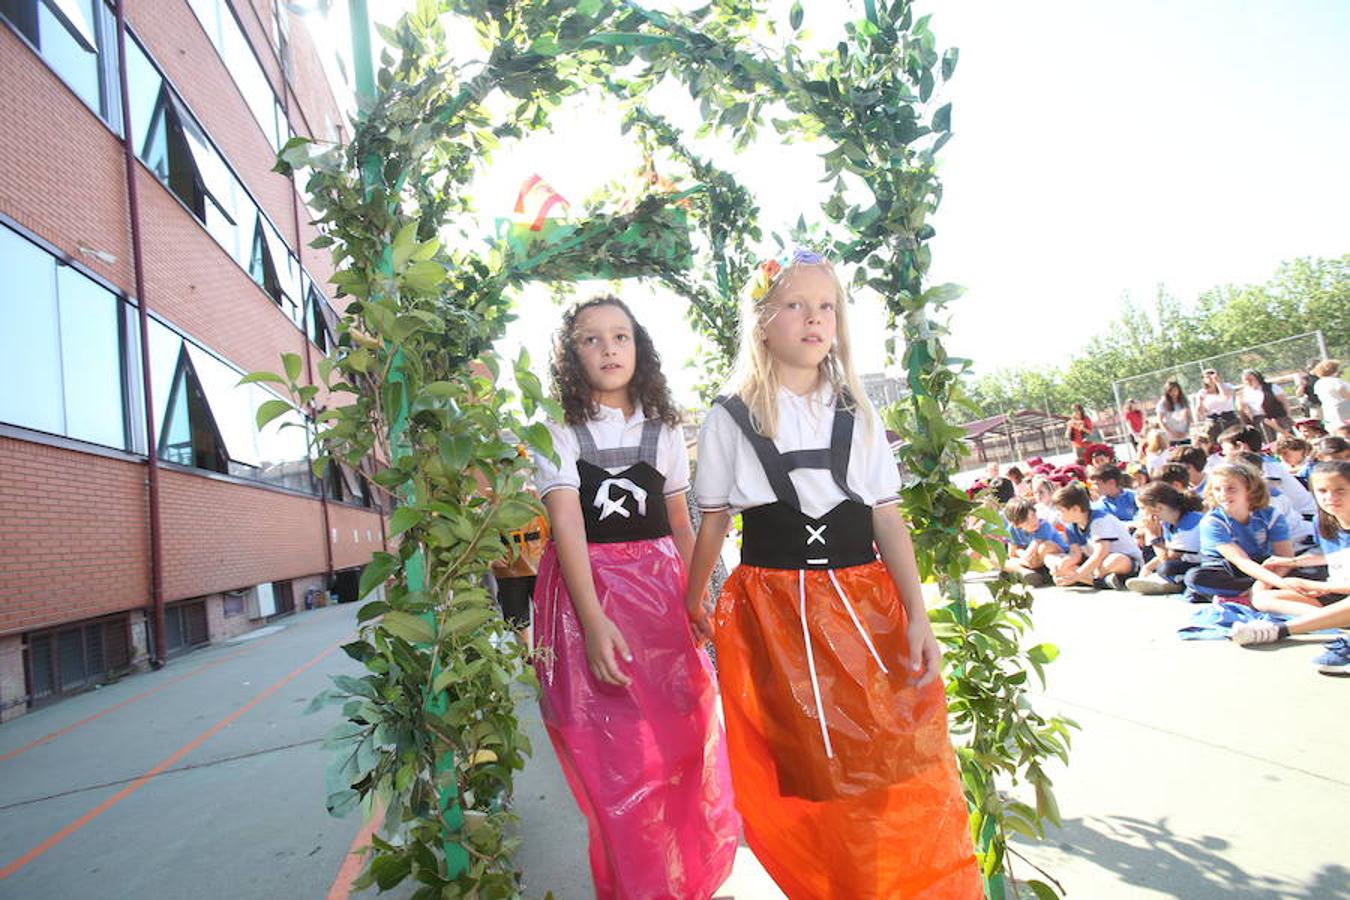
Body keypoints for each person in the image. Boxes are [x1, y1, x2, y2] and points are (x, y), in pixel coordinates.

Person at [684, 250, 980, 898]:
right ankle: (841, 885)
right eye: (795, 304)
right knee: (813, 774)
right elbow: (711, 521)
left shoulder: (857, 410)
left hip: (865, 607)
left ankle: (891, 883)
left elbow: (886, 517)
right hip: (777, 614)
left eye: (826, 306)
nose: (814, 318)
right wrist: (692, 598)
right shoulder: (731, 417)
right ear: (762, 322)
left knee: (887, 762)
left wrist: (919, 616)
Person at [530, 294, 739, 898]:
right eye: (590, 339)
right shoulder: (556, 430)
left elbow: (682, 523)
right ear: (571, 356)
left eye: (620, 336)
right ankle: (639, 886)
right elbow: (567, 525)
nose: (608, 349)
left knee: (682, 741)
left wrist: (696, 597)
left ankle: (689, 881)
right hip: (589, 599)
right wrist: (593, 623)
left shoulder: (663, 427)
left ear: (638, 346)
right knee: (616, 760)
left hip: (660, 595)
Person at [1230, 461, 1350, 674]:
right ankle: (1335, 620)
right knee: (1263, 597)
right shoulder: (1324, 522)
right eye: (1322, 491)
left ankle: (1279, 630)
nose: (1330, 497)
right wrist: (1291, 562)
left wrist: (1317, 585)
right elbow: (1337, 556)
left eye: (1340, 490)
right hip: (1338, 591)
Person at [1182, 461, 1295, 604]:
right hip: (1227, 567)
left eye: (1231, 489)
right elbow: (1241, 560)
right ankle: (1253, 593)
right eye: (1217, 489)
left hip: (1261, 564)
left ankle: (1244, 595)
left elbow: (1285, 556)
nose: (1223, 495)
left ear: (1249, 490)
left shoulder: (1271, 515)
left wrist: (1266, 583)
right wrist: (1278, 584)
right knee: (1195, 578)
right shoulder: (1213, 521)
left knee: (1309, 571)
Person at [1051, 482, 1143, 589]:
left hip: (1123, 561)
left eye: (1061, 511)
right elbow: (1075, 554)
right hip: (1096, 564)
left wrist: (1078, 574)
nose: (1058, 514)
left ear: (1076, 509)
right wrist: (1061, 566)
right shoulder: (1071, 526)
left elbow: (1101, 553)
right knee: (1054, 560)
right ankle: (1102, 581)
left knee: (1115, 560)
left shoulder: (1099, 520)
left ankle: (1090, 579)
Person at [1126, 482, 1206, 594]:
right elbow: (1168, 552)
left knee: (1167, 568)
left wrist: (1154, 535)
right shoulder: (1169, 523)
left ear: (1158, 508)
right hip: (1190, 562)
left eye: (1142, 508)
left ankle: (1175, 583)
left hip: (1209, 565)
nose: (1140, 513)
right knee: (1164, 567)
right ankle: (1166, 581)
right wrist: (1148, 567)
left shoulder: (1190, 523)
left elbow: (1167, 559)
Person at [1003, 497, 1071, 587]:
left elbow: (1030, 552)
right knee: (1004, 562)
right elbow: (1012, 554)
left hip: (1056, 555)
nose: (1033, 521)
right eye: (1027, 521)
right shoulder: (1012, 530)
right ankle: (1027, 573)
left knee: (1044, 546)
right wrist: (1020, 553)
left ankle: (1022, 572)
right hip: (1032, 560)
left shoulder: (1043, 525)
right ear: (1017, 524)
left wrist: (1020, 554)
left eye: (1033, 515)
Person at [1238, 369, 1292, 440]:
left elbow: (1284, 402)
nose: (1248, 382)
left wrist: (1288, 416)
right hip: (1260, 421)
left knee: (1286, 439)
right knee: (1269, 441)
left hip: (1278, 418)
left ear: (1257, 378)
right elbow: (1242, 410)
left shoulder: (1271, 387)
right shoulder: (1243, 393)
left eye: (1250, 379)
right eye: (1245, 380)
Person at [1193, 368, 1239, 441]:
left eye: (1213, 375)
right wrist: (1200, 402)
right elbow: (1200, 411)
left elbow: (1226, 397)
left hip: (1230, 419)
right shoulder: (1202, 392)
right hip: (1213, 421)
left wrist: (1218, 383)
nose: (1211, 378)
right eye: (1207, 377)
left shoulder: (1227, 386)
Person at [1312, 359, 1350, 429]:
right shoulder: (1335, 381)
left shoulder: (1318, 383)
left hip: (1328, 409)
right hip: (1343, 409)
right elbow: (1344, 394)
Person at [1155, 378, 1193, 445]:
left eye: (1175, 390)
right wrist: (1172, 433)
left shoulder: (1184, 401)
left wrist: (1186, 432)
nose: (1173, 393)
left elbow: (1189, 417)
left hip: (1185, 434)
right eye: (1170, 391)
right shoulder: (1163, 403)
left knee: (1187, 451)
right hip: (1171, 437)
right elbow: (1160, 421)